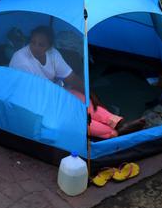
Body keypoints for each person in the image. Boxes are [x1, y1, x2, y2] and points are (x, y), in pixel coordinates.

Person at [9, 26, 144, 139]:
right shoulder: (21, 60)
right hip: (34, 103)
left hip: (54, 93)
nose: (35, 47)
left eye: (41, 44)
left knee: (83, 99)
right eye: (33, 42)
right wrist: (64, 104)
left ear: (49, 46)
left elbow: (71, 78)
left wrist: (90, 93)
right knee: (74, 116)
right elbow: (31, 96)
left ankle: (119, 123)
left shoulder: (52, 53)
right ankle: (113, 133)